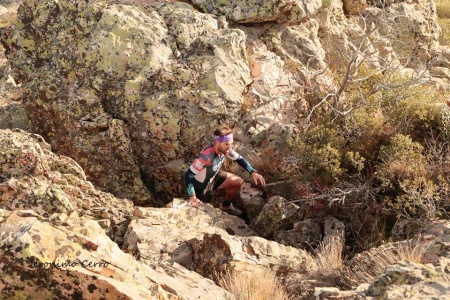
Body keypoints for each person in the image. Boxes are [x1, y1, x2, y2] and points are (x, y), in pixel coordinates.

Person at [185, 125, 266, 215]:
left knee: (238, 182)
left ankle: (225, 207)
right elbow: (188, 175)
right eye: (227, 144)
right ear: (217, 142)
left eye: (231, 143)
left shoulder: (225, 150)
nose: (230, 147)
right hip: (200, 188)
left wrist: (253, 172)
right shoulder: (207, 157)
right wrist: (192, 196)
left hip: (213, 177)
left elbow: (239, 159)